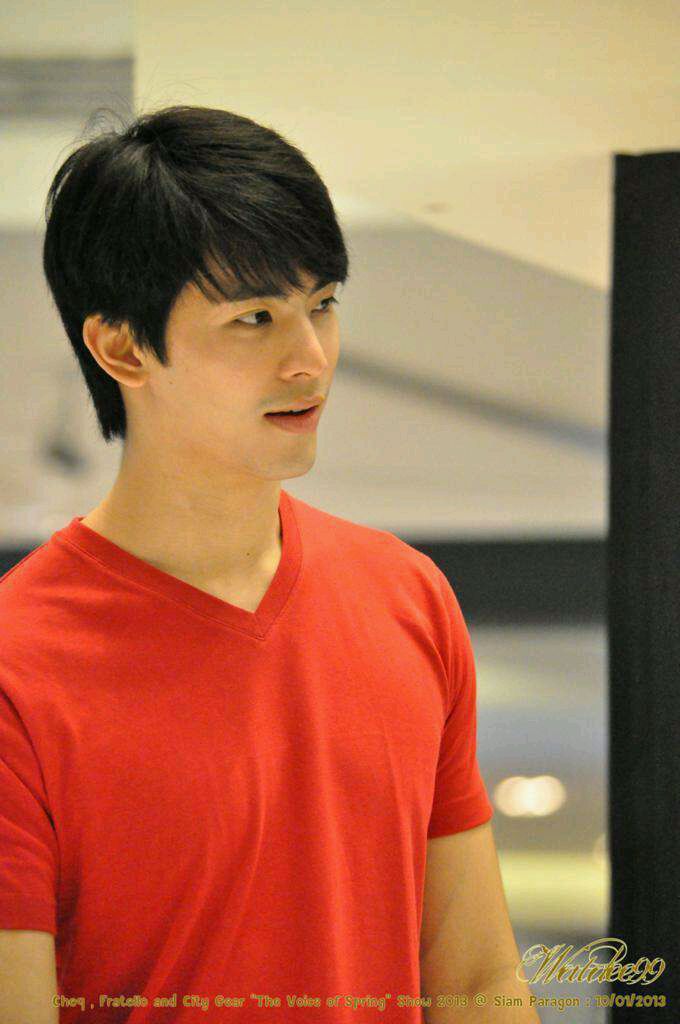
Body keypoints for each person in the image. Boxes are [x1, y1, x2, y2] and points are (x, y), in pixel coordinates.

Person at [0, 105, 538, 1023]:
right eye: (255, 318)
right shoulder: (19, 663)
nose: (311, 359)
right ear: (122, 347)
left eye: (321, 304)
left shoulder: (408, 598)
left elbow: (481, 980)